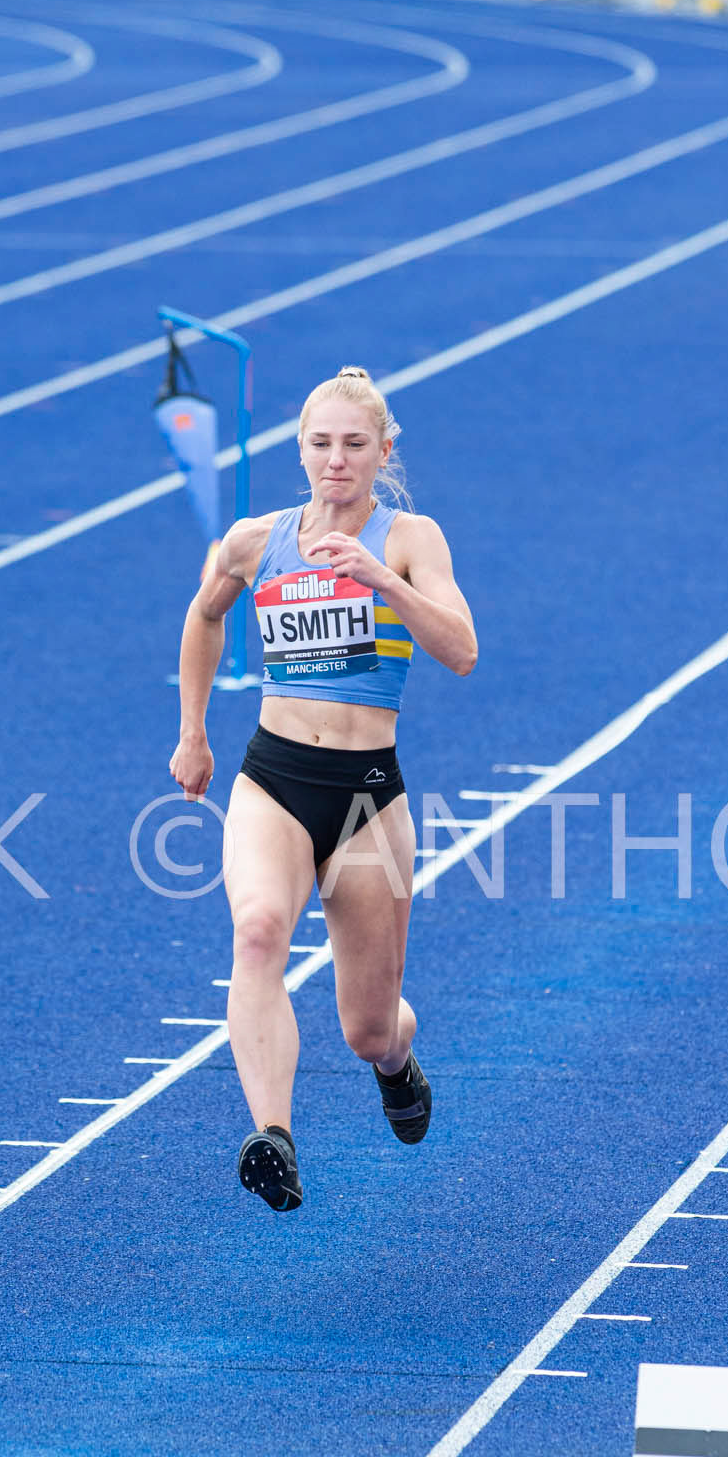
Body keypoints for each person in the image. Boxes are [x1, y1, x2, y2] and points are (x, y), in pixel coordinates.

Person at [169, 366, 477, 1212]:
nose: (335, 460)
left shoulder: (410, 538)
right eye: (319, 445)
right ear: (298, 452)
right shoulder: (253, 541)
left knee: (365, 1025)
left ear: (382, 452)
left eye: (353, 445)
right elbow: (204, 615)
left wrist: (382, 581)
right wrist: (192, 731)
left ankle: (394, 1062)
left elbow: (461, 651)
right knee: (259, 930)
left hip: (364, 793)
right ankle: (274, 1136)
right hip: (272, 775)